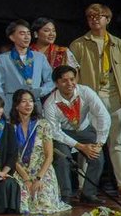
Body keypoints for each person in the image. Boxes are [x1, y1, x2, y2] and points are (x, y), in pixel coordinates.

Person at [68, 3, 121, 199]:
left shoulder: (117, 43)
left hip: (114, 98)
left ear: (108, 19)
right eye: (90, 17)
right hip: (90, 100)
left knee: (116, 143)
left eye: (99, 16)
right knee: (88, 145)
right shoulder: (78, 44)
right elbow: (73, 74)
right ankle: (84, 187)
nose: (95, 19)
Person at [42, 65, 110, 205]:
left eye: (72, 79)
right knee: (62, 160)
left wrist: (99, 144)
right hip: (63, 134)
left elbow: (103, 116)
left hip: (84, 130)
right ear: (56, 83)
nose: (70, 84)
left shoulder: (85, 92)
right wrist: (81, 146)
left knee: (97, 158)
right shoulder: (50, 103)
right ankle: (65, 195)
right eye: (64, 81)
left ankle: (88, 194)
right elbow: (55, 131)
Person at [9, 89, 70, 215]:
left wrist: (38, 178)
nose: (28, 104)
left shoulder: (43, 125)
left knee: (44, 203)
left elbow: (49, 156)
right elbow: (11, 157)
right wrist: (26, 179)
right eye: (24, 101)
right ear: (16, 105)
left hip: (42, 171)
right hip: (21, 172)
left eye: (31, 101)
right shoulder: (10, 127)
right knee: (23, 205)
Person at [0, 19, 54, 103]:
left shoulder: (39, 57)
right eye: (22, 33)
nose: (27, 37)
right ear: (12, 37)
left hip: (34, 102)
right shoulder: (3, 59)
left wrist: (40, 91)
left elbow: (51, 79)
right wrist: (4, 104)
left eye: (28, 33)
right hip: (12, 103)